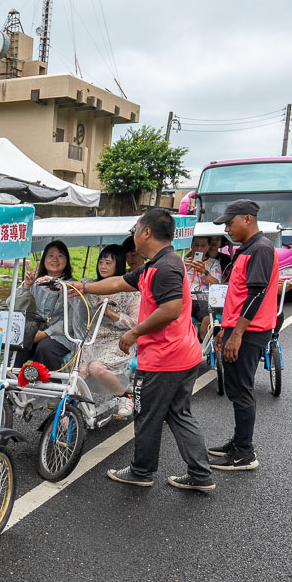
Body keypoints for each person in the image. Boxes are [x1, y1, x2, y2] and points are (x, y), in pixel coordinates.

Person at [73, 208, 214, 491]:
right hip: (181, 355)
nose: (134, 235)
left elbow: (171, 309)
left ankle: (141, 471)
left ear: (146, 232)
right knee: (178, 413)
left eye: (136, 230)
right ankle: (200, 474)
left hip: (165, 358)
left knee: (147, 414)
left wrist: (133, 332)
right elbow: (117, 282)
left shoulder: (166, 267)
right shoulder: (156, 264)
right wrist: (81, 287)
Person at [209, 199, 279, 472]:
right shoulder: (246, 249)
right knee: (236, 388)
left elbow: (256, 294)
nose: (227, 228)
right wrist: (224, 330)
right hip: (237, 329)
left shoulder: (260, 249)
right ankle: (239, 442)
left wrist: (237, 335)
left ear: (247, 219)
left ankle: (244, 453)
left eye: (230, 222)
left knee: (241, 390)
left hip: (250, 332)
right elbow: (236, 295)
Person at [79, 244, 138, 418]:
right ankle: (70, 407)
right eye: (101, 262)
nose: (103, 266)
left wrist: (112, 314)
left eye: (108, 263)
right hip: (92, 338)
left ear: (118, 265)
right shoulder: (90, 286)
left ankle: (123, 396)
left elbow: (136, 322)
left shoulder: (130, 291)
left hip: (119, 340)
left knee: (96, 368)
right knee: (81, 370)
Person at [17, 240, 82, 369]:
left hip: (61, 335)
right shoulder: (34, 281)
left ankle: (53, 386)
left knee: (45, 348)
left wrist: (46, 333)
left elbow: (72, 320)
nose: (55, 260)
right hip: (32, 332)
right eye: (50, 255)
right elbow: (13, 304)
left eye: (60, 256)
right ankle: (9, 383)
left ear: (67, 260)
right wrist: (26, 286)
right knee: (16, 345)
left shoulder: (72, 286)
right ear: (44, 259)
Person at [186, 234, 224, 341]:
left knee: (207, 319)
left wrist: (204, 272)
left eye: (202, 246)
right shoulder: (182, 261)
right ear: (191, 246)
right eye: (196, 245)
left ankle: (205, 347)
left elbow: (216, 285)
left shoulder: (213, 263)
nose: (199, 249)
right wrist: (184, 269)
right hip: (184, 298)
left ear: (208, 247)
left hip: (203, 299)